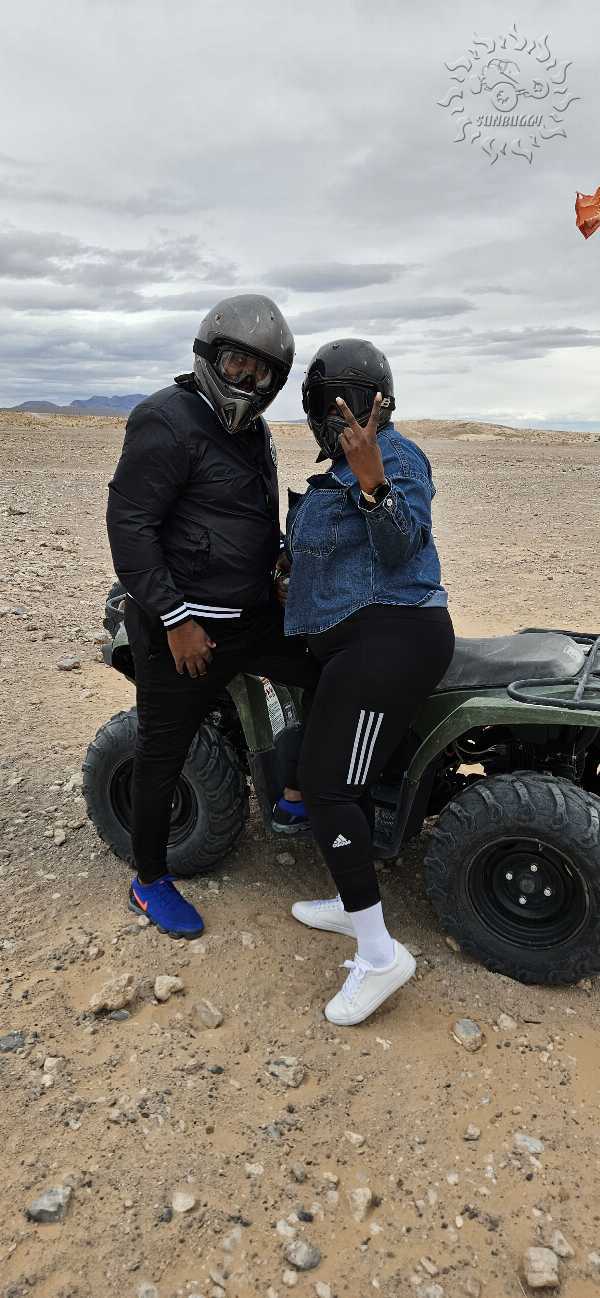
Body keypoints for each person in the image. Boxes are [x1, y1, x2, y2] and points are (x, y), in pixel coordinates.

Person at [106, 295, 318, 939]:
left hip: (248, 617)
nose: (247, 381)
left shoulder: (252, 431)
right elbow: (130, 526)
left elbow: (243, 516)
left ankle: (295, 795)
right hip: (182, 630)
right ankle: (148, 881)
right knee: (161, 751)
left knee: (330, 667)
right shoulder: (165, 420)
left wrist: (275, 567)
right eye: (236, 364)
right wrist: (175, 619)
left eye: (262, 372)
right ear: (208, 356)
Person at [282, 338, 455, 1025]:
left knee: (327, 787)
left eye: (347, 403)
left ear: (377, 403)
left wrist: (373, 481)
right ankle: (349, 902)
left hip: (390, 638)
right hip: (354, 641)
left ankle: (380, 955)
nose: (336, 417)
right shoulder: (334, 473)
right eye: (325, 405)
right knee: (339, 780)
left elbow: (403, 543)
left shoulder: (398, 456)